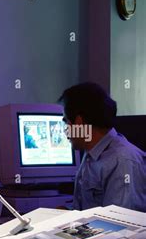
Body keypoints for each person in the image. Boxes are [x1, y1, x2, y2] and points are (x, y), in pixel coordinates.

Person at [58, 82, 146, 211]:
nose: (65, 131)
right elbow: (89, 209)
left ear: (78, 122)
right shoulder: (91, 152)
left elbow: (119, 224)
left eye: (66, 122)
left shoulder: (122, 161)